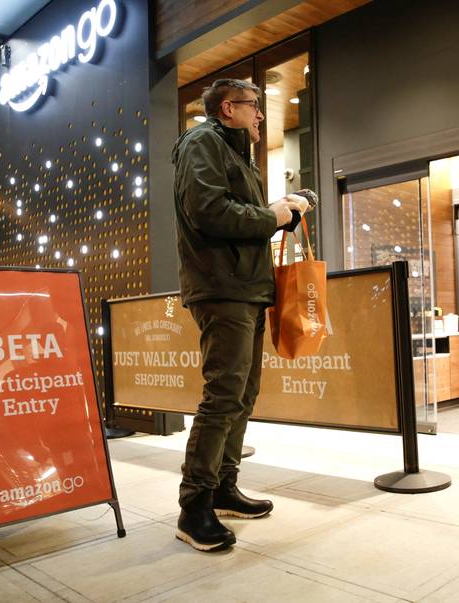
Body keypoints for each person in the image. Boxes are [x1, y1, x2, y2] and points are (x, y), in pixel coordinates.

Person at [170, 78, 308, 552]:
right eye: (254, 107)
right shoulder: (202, 142)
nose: (260, 116)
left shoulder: (235, 152)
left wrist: (279, 210)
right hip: (221, 286)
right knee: (224, 393)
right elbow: (208, 211)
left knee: (243, 394)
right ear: (228, 107)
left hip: (245, 287)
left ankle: (224, 487)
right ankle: (194, 506)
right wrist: (272, 215)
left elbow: (239, 213)